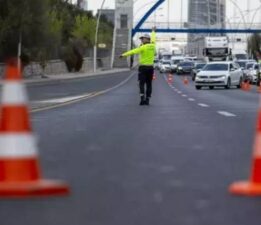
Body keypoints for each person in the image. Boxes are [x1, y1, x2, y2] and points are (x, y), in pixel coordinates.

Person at [120, 27, 156, 105]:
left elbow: (133, 51)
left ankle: (142, 99)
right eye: (141, 39)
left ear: (147, 39)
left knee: (141, 83)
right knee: (149, 84)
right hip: (150, 68)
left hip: (143, 68)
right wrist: (153, 31)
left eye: (142, 39)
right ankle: (148, 99)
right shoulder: (153, 46)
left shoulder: (142, 47)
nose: (141, 40)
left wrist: (123, 55)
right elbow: (153, 39)